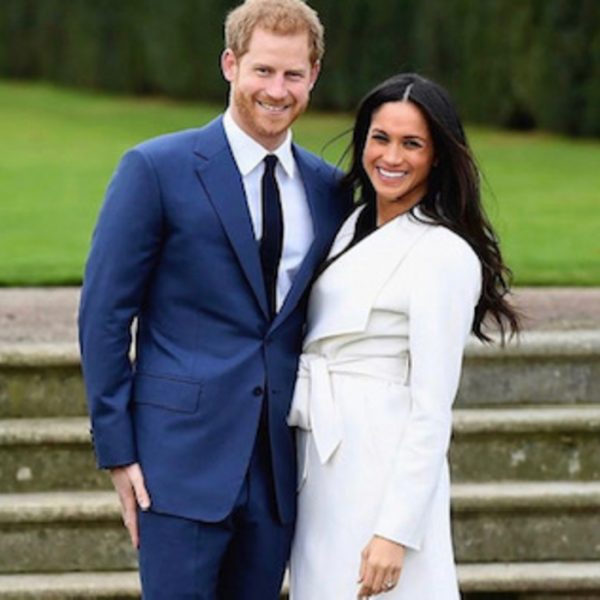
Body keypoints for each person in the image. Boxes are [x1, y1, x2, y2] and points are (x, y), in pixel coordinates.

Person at [78, 1, 351, 598]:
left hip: (281, 468)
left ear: (314, 77)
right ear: (230, 64)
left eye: (293, 75)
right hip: (176, 466)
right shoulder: (155, 168)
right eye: (262, 70)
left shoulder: (330, 189)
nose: (277, 90)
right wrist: (118, 452)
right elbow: (103, 317)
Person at [287, 73, 520, 599]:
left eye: (412, 143)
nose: (392, 156)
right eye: (380, 138)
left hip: (382, 468)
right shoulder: (348, 226)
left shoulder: (443, 253)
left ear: (437, 155)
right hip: (322, 459)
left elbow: (432, 407)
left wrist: (395, 530)